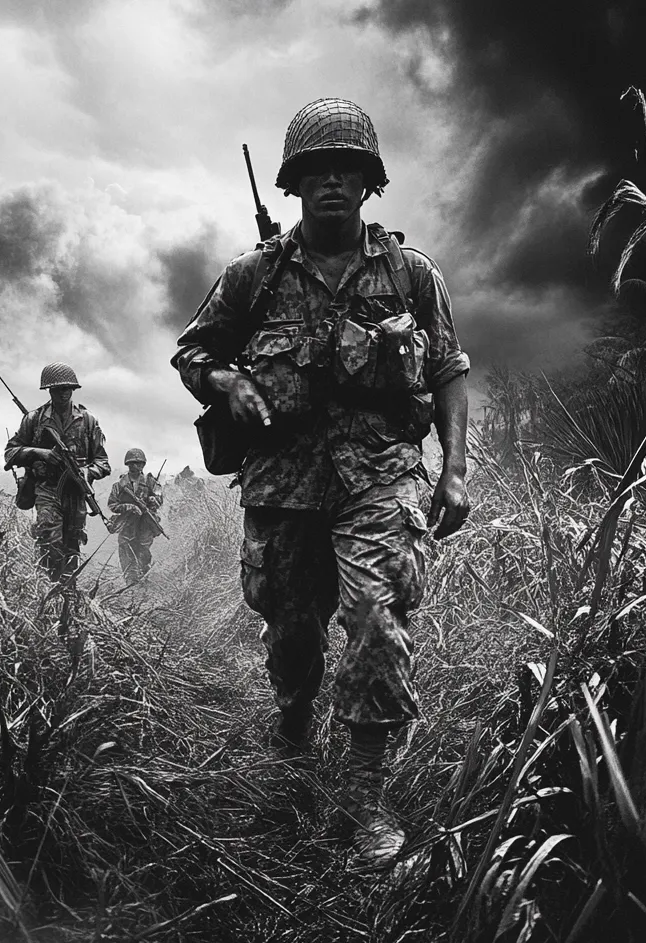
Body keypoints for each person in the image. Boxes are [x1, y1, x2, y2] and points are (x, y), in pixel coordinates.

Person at [172, 98, 471, 870]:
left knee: (376, 618)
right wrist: (226, 382)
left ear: (369, 185)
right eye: (316, 172)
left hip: (381, 476)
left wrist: (455, 470)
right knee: (293, 633)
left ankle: (367, 795)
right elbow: (193, 353)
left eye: (347, 171)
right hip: (284, 483)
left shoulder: (410, 275)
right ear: (295, 185)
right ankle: (295, 726)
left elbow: (447, 371)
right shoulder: (253, 278)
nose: (331, 183)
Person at [3, 363, 111, 581]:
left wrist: (87, 472)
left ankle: (67, 595)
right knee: (49, 542)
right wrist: (40, 453)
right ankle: (46, 588)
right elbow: (10, 453)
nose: (63, 393)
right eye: (58, 389)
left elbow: (103, 462)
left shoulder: (88, 420)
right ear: (49, 390)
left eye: (67, 388)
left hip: (76, 494)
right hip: (47, 490)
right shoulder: (34, 419)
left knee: (72, 547)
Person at [108, 448, 164, 585]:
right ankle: (130, 581)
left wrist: (153, 500)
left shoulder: (150, 482)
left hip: (145, 523)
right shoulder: (119, 485)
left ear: (143, 465)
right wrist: (129, 507)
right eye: (132, 463)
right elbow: (112, 505)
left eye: (138, 463)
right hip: (127, 522)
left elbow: (159, 499)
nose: (135, 466)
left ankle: (143, 575)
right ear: (127, 464)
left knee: (143, 550)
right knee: (126, 551)